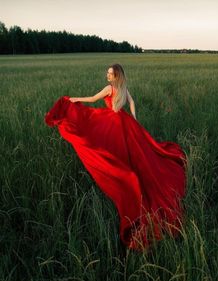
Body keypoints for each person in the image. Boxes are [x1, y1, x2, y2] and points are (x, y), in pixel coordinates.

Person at [44, 63, 188, 252]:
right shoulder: (122, 88)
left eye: (110, 73)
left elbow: (93, 99)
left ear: (116, 76)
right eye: (108, 73)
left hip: (113, 122)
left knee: (104, 143)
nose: (108, 75)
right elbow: (132, 102)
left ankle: (124, 176)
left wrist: (74, 99)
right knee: (133, 151)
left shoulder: (110, 88)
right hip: (124, 121)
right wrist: (134, 119)